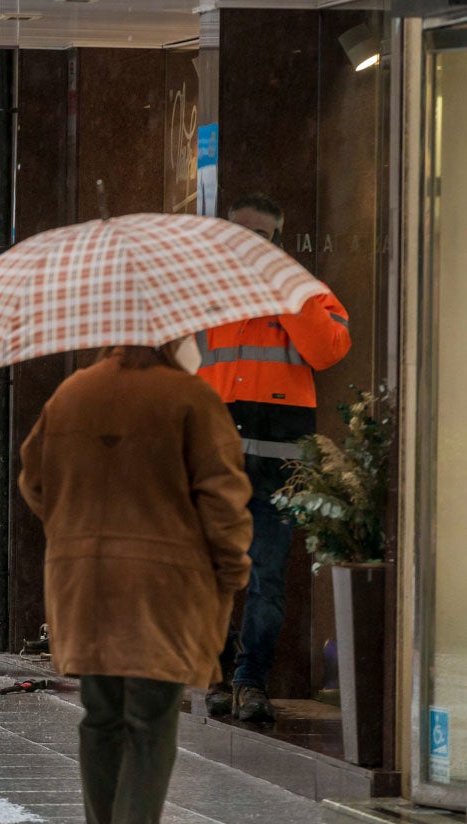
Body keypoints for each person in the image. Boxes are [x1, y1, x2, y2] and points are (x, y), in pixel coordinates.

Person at [19, 341, 252, 824]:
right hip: (160, 581)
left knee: (100, 717)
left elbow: (33, 480)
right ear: (171, 333)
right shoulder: (190, 398)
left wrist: (76, 527)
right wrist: (233, 566)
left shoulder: (70, 394)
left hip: (82, 580)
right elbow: (222, 496)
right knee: (150, 716)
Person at [199, 193, 352, 723]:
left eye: (259, 238)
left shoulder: (306, 293)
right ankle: (218, 677)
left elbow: (328, 349)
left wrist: (287, 290)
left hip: (280, 465)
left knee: (266, 576)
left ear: (278, 244)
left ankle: (251, 680)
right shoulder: (204, 296)